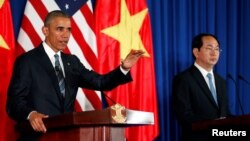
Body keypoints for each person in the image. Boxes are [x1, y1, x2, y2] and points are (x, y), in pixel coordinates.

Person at [6, 10, 144, 141]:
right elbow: (14, 103)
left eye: (69, 29)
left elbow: (101, 83)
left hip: (68, 136)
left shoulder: (72, 62)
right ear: (45, 31)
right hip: (39, 136)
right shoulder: (27, 61)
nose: (66, 35)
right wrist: (31, 114)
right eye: (60, 29)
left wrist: (124, 68)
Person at [172, 33, 230, 141]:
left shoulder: (221, 81)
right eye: (209, 48)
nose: (214, 53)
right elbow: (184, 115)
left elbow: (225, 113)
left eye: (217, 49)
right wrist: (214, 123)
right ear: (196, 52)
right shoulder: (184, 79)